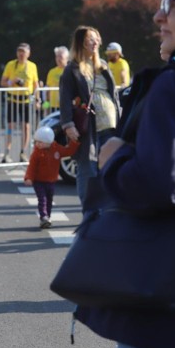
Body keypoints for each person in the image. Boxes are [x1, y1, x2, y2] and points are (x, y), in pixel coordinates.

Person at [74, 0, 175, 348]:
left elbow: (160, 184)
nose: (158, 18)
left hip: (174, 311)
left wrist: (115, 157)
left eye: (173, 7)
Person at [59, 26, 119, 208]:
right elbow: (65, 98)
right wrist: (68, 125)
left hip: (110, 125)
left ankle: (106, 212)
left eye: (97, 39)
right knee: (88, 170)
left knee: (109, 169)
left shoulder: (103, 66)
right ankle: (90, 212)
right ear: (81, 43)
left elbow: (113, 95)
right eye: (91, 39)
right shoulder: (73, 69)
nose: (96, 42)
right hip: (88, 127)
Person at [23, 126, 79, 228]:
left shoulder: (56, 148)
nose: (38, 144)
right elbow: (32, 167)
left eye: (41, 142)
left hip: (51, 181)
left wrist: (74, 143)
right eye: (36, 142)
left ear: (49, 142)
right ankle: (43, 217)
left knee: (49, 200)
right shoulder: (36, 153)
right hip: (38, 181)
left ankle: (47, 217)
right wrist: (29, 178)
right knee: (42, 199)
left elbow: (67, 151)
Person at [0, 43, 40, 163]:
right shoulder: (11, 65)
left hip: (26, 100)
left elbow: (35, 84)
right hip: (13, 99)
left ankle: (23, 152)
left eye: (23, 51)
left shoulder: (32, 66)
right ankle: (7, 152)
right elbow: (2, 82)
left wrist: (38, 99)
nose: (21, 54)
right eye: (19, 51)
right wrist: (12, 82)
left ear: (28, 53)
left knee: (26, 127)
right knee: (10, 126)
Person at [45, 46, 69, 110]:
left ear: (67, 58)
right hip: (53, 106)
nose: (58, 59)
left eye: (60, 56)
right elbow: (48, 89)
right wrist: (47, 102)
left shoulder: (70, 71)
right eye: (57, 56)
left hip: (66, 105)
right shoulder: (51, 72)